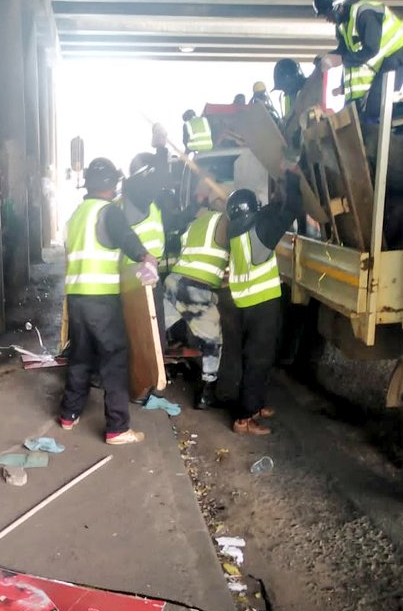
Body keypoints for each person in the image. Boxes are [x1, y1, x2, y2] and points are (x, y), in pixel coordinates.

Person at [60, 157, 153, 445]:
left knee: (80, 356)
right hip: (101, 298)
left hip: (76, 299)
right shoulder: (108, 211)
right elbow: (125, 237)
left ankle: (68, 415)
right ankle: (117, 428)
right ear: (111, 185)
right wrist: (145, 257)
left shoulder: (76, 215)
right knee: (114, 359)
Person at [225, 169, 302, 435]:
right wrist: (291, 177)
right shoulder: (261, 234)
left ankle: (254, 404)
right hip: (261, 306)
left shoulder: (239, 232)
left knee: (257, 359)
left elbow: (270, 212)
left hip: (247, 305)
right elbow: (292, 208)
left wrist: (276, 194)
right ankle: (244, 419)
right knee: (258, 361)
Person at [162, 189, 229, 409]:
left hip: (175, 282)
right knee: (212, 341)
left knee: (157, 331)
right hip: (194, 288)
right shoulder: (224, 221)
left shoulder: (199, 221)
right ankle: (206, 394)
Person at [313, 0, 403, 120]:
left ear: (338, 6)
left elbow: (371, 50)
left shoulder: (365, 13)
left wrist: (339, 59)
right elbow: (344, 52)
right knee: (357, 114)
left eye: (327, 14)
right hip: (384, 61)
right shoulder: (342, 25)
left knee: (375, 108)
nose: (327, 19)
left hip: (398, 54)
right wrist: (327, 57)